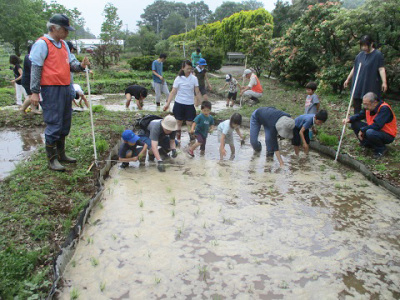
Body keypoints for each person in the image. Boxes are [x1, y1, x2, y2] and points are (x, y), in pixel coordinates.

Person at [29, 14, 90, 171]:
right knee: (54, 122)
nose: (67, 33)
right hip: (50, 89)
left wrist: (81, 66)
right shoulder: (42, 44)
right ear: (54, 28)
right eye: (65, 29)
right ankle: (52, 160)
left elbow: (72, 64)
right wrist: (34, 91)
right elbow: (36, 68)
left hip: (65, 88)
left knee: (64, 122)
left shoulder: (63, 44)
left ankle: (62, 154)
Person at [342, 92, 397, 159]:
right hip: (374, 130)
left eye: (366, 104)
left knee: (370, 132)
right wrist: (349, 119)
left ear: (374, 102)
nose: (365, 107)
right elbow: (360, 115)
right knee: (355, 123)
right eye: (364, 104)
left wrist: (363, 130)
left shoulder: (384, 109)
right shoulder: (368, 107)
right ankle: (367, 144)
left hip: (387, 134)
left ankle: (381, 149)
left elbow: (377, 126)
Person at [344, 35, 387, 114]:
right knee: (356, 103)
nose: (364, 48)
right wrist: (348, 79)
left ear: (371, 44)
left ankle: (369, 123)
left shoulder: (377, 55)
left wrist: (384, 82)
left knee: (369, 104)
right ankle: (356, 123)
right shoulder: (359, 55)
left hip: (370, 84)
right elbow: (354, 68)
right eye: (362, 46)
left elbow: (381, 69)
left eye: (365, 46)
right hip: (358, 84)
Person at [164, 60, 203, 145]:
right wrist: (167, 103)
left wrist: (203, 104)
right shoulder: (178, 78)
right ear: (182, 68)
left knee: (190, 123)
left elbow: (197, 92)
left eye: (190, 68)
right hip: (179, 103)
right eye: (187, 68)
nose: (189, 70)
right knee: (178, 122)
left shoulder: (194, 78)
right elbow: (173, 92)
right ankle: (178, 140)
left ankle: (192, 139)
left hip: (189, 104)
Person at [20, 45, 41, 114]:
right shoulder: (30, 57)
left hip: (28, 79)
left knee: (31, 95)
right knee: (31, 96)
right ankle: (22, 109)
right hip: (28, 80)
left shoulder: (28, 56)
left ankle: (33, 109)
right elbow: (34, 69)